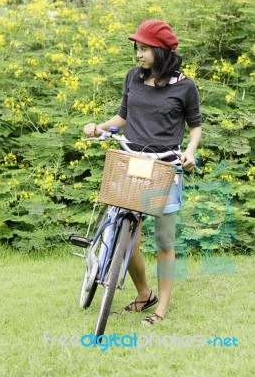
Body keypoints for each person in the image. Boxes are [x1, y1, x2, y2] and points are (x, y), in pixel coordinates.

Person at [84, 19, 202, 326]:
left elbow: (195, 126)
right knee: (127, 242)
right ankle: (143, 293)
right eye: (137, 47)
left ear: (162, 52)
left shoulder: (185, 86)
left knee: (163, 242)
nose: (139, 54)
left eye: (145, 48)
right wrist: (99, 128)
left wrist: (189, 152)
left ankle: (161, 307)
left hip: (164, 168)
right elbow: (122, 117)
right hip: (131, 164)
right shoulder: (133, 77)